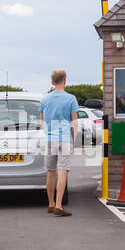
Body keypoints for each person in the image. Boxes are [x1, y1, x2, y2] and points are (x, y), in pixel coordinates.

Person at [40, 69, 78, 216]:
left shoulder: (45, 99)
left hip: (50, 139)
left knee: (50, 172)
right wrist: (73, 141)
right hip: (65, 139)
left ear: (52, 82)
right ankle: (59, 205)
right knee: (63, 172)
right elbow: (75, 123)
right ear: (65, 80)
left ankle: (50, 204)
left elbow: (42, 122)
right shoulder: (71, 99)